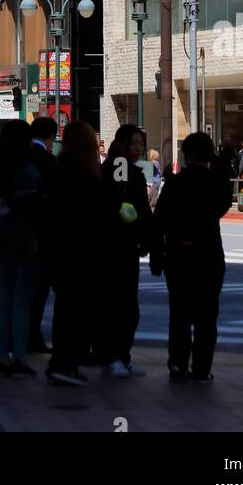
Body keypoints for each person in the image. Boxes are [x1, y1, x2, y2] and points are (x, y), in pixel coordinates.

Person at [150, 131, 230, 383]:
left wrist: (156, 254)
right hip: (208, 255)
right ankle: (201, 368)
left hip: (178, 255)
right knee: (207, 318)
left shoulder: (174, 183)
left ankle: (177, 364)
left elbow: (159, 221)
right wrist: (218, 162)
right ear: (209, 155)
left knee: (180, 315)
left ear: (186, 156)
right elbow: (224, 203)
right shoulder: (215, 184)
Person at [47, 121, 107, 387]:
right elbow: (94, 214)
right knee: (77, 309)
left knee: (66, 308)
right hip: (82, 251)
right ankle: (65, 363)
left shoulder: (59, 167)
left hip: (61, 248)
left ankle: (63, 361)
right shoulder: (85, 173)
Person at [0, 120, 43, 378]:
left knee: (3, 300)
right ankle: (19, 356)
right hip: (24, 240)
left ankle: (0, 355)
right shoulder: (28, 170)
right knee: (22, 302)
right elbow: (33, 206)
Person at [99, 125, 153, 379]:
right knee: (118, 304)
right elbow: (123, 202)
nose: (138, 148)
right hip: (116, 246)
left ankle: (121, 356)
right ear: (121, 144)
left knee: (126, 305)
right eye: (133, 143)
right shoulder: (119, 169)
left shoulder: (123, 169)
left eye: (140, 144)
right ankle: (114, 357)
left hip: (125, 245)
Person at [27, 116, 58, 354]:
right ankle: (31, 336)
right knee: (39, 290)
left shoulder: (20, 157)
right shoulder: (48, 161)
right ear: (51, 137)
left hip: (17, 231)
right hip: (44, 234)